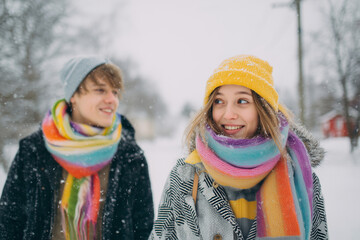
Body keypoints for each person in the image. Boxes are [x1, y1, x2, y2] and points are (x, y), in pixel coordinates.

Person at [149, 55, 328, 240]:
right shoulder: (184, 175)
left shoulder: (300, 178)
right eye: (219, 101)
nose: (228, 114)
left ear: (263, 109)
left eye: (242, 101)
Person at [0, 56, 154, 239]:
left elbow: (143, 226)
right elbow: (10, 221)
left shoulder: (130, 155)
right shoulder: (34, 150)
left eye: (115, 92)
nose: (112, 99)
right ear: (73, 95)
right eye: (100, 90)